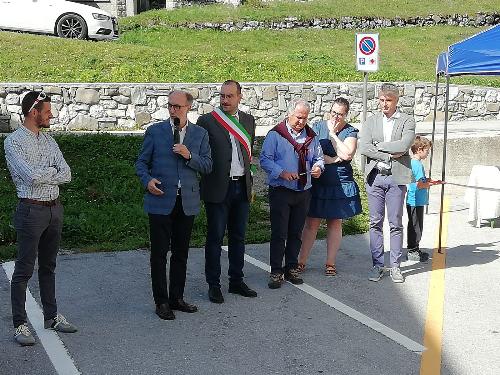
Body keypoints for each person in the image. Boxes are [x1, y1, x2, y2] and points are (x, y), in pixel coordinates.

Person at [4, 91, 77, 346]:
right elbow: (29, 177)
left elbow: (66, 173)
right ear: (33, 112)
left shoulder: (49, 141)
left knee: (49, 266)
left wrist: (45, 173)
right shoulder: (13, 142)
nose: (52, 115)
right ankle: (20, 324)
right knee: (24, 269)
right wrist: (50, 171)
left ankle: (51, 316)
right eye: (47, 112)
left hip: (54, 209)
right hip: (31, 210)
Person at [136, 90, 212, 320]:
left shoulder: (199, 134)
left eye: (178, 107)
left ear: (189, 107)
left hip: (186, 201)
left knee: (181, 253)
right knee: (159, 254)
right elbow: (141, 162)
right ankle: (161, 302)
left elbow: (208, 165)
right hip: (160, 199)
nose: (173, 110)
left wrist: (189, 156)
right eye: (170, 106)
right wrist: (147, 180)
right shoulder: (155, 132)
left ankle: (176, 298)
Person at [197, 80, 257, 304]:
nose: (225, 100)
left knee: (238, 237)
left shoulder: (249, 121)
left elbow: (249, 152)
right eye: (222, 96)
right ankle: (213, 285)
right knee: (215, 238)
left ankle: (236, 280)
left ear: (240, 97)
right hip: (217, 187)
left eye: (230, 96)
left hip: (241, 185)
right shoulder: (207, 121)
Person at [260, 98, 324, 289]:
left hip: (303, 190)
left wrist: (318, 168)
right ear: (289, 114)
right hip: (281, 190)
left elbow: (318, 158)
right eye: (298, 117)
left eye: (305, 118)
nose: (301, 122)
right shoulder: (276, 135)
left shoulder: (311, 136)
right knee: (279, 233)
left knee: (296, 232)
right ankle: (276, 271)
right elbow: (264, 159)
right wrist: (282, 172)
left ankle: (291, 267)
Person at [297, 98, 362, 276]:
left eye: (340, 114)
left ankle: (330, 263)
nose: (335, 116)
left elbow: (347, 154)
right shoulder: (317, 127)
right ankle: (301, 261)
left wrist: (333, 136)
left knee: (335, 222)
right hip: (318, 182)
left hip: (339, 183)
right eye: (333, 112)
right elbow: (309, 151)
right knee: (311, 223)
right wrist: (332, 160)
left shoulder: (350, 131)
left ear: (346, 115)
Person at [359, 83, 416, 283]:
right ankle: (377, 265)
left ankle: (395, 267)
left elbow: (404, 144)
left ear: (396, 101)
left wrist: (380, 146)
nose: (384, 104)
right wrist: (389, 155)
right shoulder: (371, 121)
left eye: (388, 100)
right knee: (374, 222)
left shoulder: (407, 120)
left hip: (396, 178)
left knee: (395, 223)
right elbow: (364, 147)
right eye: (381, 100)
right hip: (375, 177)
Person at [406, 136, 443, 262]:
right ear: (420, 149)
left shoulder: (414, 163)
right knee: (416, 227)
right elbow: (420, 184)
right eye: (427, 151)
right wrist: (431, 184)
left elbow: (421, 180)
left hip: (414, 200)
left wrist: (430, 181)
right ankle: (412, 250)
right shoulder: (417, 165)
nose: (428, 154)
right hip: (415, 200)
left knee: (414, 225)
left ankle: (414, 248)